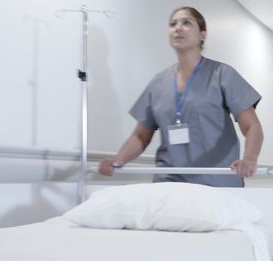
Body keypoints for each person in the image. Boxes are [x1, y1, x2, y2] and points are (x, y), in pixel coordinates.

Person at [99, 7, 263, 187]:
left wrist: (249, 159)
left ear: (202, 35)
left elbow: (252, 126)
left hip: (216, 181)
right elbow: (140, 136)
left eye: (186, 23)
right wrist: (118, 160)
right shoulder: (159, 83)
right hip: (170, 182)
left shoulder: (222, 75)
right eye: (173, 24)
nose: (178, 28)